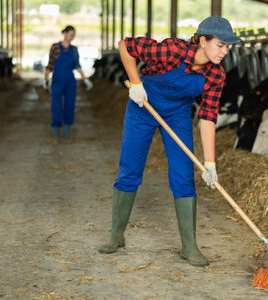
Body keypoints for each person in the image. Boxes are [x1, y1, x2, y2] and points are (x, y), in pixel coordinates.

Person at [98, 16, 241, 267]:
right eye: (220, 45)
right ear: (203, 40)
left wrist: (210, 163)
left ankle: (189, 246)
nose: (224, 52)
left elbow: (207, 118)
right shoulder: (173, 50)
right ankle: (116, 236)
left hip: (177, 115)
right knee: (130, 170)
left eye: (227, 47)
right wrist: (136, 84)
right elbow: (125, 46)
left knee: (183, 176)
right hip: (143, 106)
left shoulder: (216, 75)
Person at [43, 25, 93, 139]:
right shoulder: (55, 47)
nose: (72, 37)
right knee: (56, 104)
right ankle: (56, 133)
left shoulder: (74, 49)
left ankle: (66, 133)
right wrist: (45, 79)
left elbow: (78, 66)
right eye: (70, 34)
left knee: (70, 104)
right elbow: (50, 64)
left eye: (73, 35)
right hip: (57, 78)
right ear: (64, 33)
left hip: (70, 80)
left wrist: (85, 79)